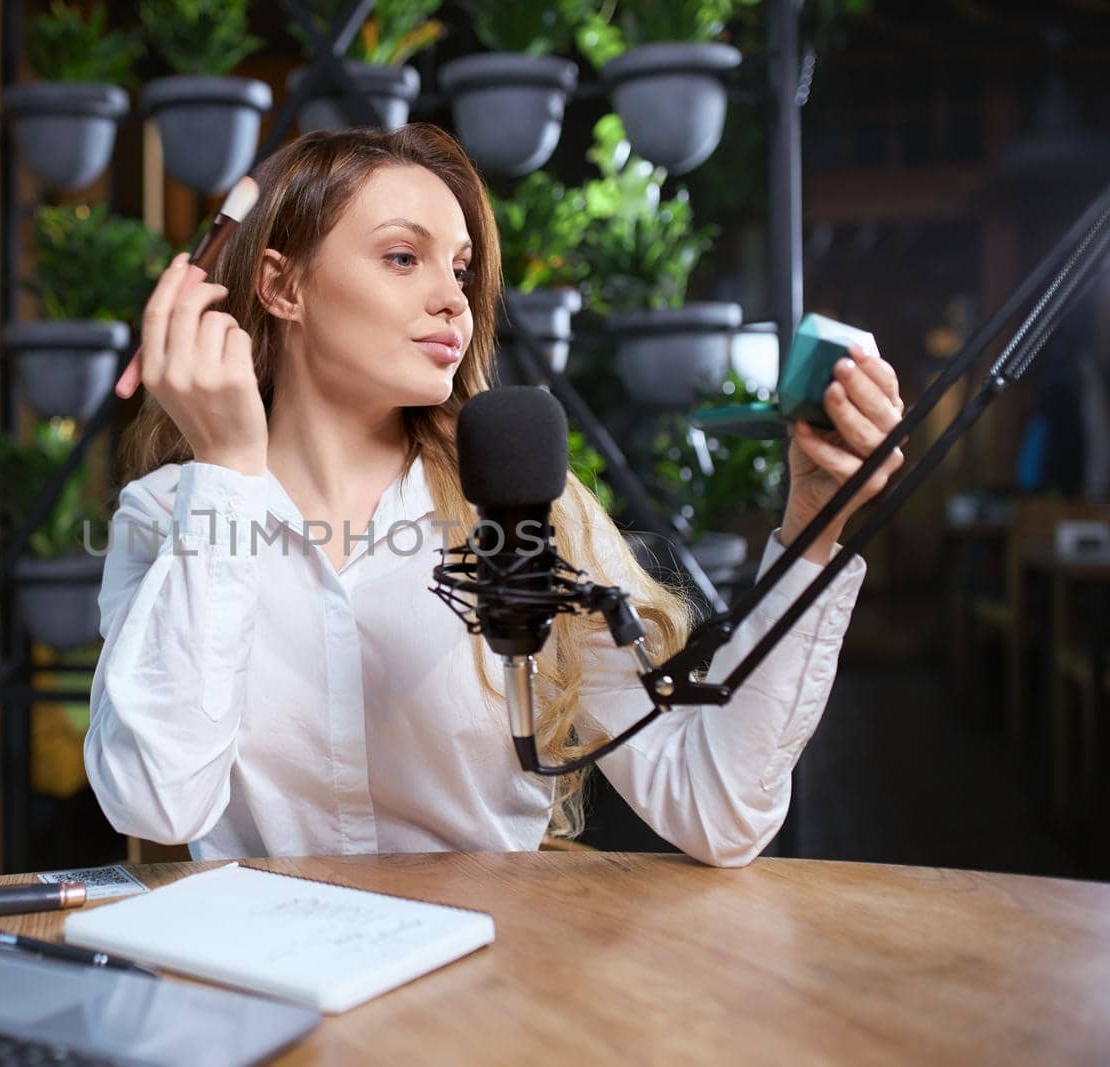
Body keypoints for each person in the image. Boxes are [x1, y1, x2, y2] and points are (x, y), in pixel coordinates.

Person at [84, 124, 904, 867]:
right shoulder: (168, 515)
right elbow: (158, 799)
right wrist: (226, 470)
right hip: (267, 1002)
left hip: (484, 994)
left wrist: (813, 527)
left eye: (461, 267)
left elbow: (715, 808)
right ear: (281, 286)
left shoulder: (522, 510)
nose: (454, 299)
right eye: (404, 257)